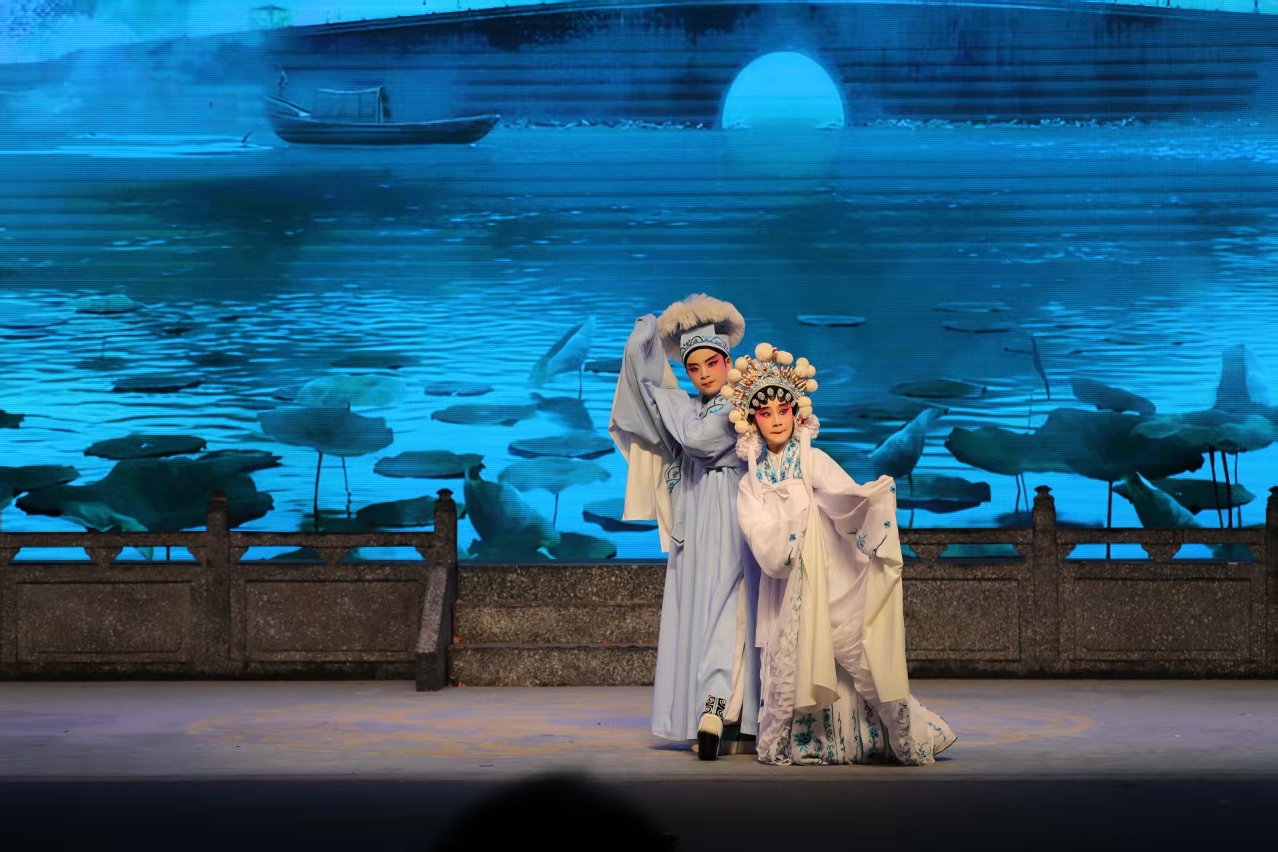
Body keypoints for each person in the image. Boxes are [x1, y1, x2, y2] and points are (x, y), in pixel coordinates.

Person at [726, 342, 956, 765]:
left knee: (854, 653)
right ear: (752, 421)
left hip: (828, 574)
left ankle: (902, 734)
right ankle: (811, 741)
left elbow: (844, 499)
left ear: (796, 415)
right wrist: (792, 532)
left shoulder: (813, 461)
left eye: (783, 410)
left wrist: (872, 500)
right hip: (786, 584)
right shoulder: (751, 483)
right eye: (765, 413)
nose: (775, 420)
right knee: (791, 654)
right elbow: (759, 536)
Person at [608, 294, 760, 760]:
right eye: (694, 368)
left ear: (727, 361)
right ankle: (707, 714)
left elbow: (697, 441)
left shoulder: (738, 406)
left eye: (712, 363)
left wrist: (665, 395)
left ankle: (722, 710)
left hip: (733, 517)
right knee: (695, 612)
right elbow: (644, 407)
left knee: (729, 611)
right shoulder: (692, 407)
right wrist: (641, 352)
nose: (704, 374)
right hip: (694, 520)